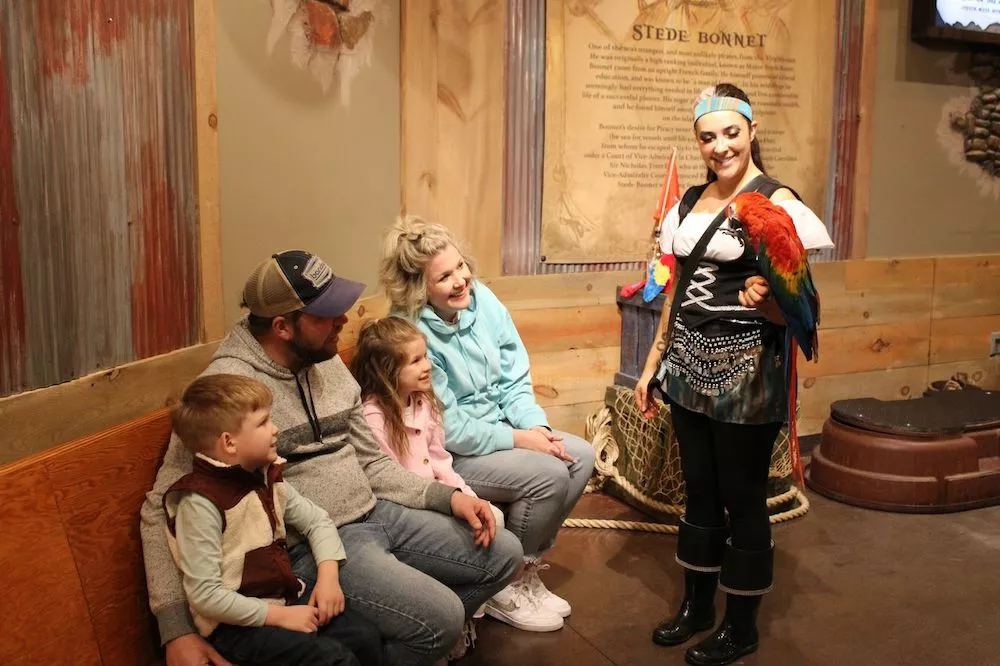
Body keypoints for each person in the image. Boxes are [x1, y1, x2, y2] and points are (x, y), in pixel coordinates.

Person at [140, 249, 523, 666]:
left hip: (379, 512)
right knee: (441, 618)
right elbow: (161, 506)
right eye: (327, 313)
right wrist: (174, 629)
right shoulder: (227, 391)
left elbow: (373, 463)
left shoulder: (325, 360)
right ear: (283, 326)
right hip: (318, 546)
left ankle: (393, 641)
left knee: (505, 554)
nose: (343, 320)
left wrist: (447, 498)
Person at [633, 83, 833, 666]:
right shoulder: (689, 201)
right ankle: (696, 607)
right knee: (698, 492)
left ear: (752, 130)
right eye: (707, 136)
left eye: (730, 133)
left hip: (749, 368)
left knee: (742, 496)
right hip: (687, 364)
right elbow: (672, 293)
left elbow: (795, 311)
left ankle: (740, 625)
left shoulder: (778, 202)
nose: (719, 146)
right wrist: (652, 366)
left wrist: (763, 300)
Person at [379, 219, 598, 634]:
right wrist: (520, 440)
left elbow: (514, 377)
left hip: (499, 429)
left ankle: (526, 571)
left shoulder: (484, 300)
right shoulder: (410, 331)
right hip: (453, 451)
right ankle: (504, 582)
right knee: (548, 474)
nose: (461, 280)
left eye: (461, 266)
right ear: (417, 286)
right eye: (444, 277)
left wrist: (537, 427)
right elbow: (449, 426)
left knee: (580, 455)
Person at [165, 374, 380, 666]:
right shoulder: (200, 502)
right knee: (332, 659)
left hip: (281, 598)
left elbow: (317, 521)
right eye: (263, 422)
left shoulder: (266, 477)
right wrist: (280, 616)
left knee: (364, 636)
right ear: (229, 442)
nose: (275, 429)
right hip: (235, 626)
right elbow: (205, 595)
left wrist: (328, 579)